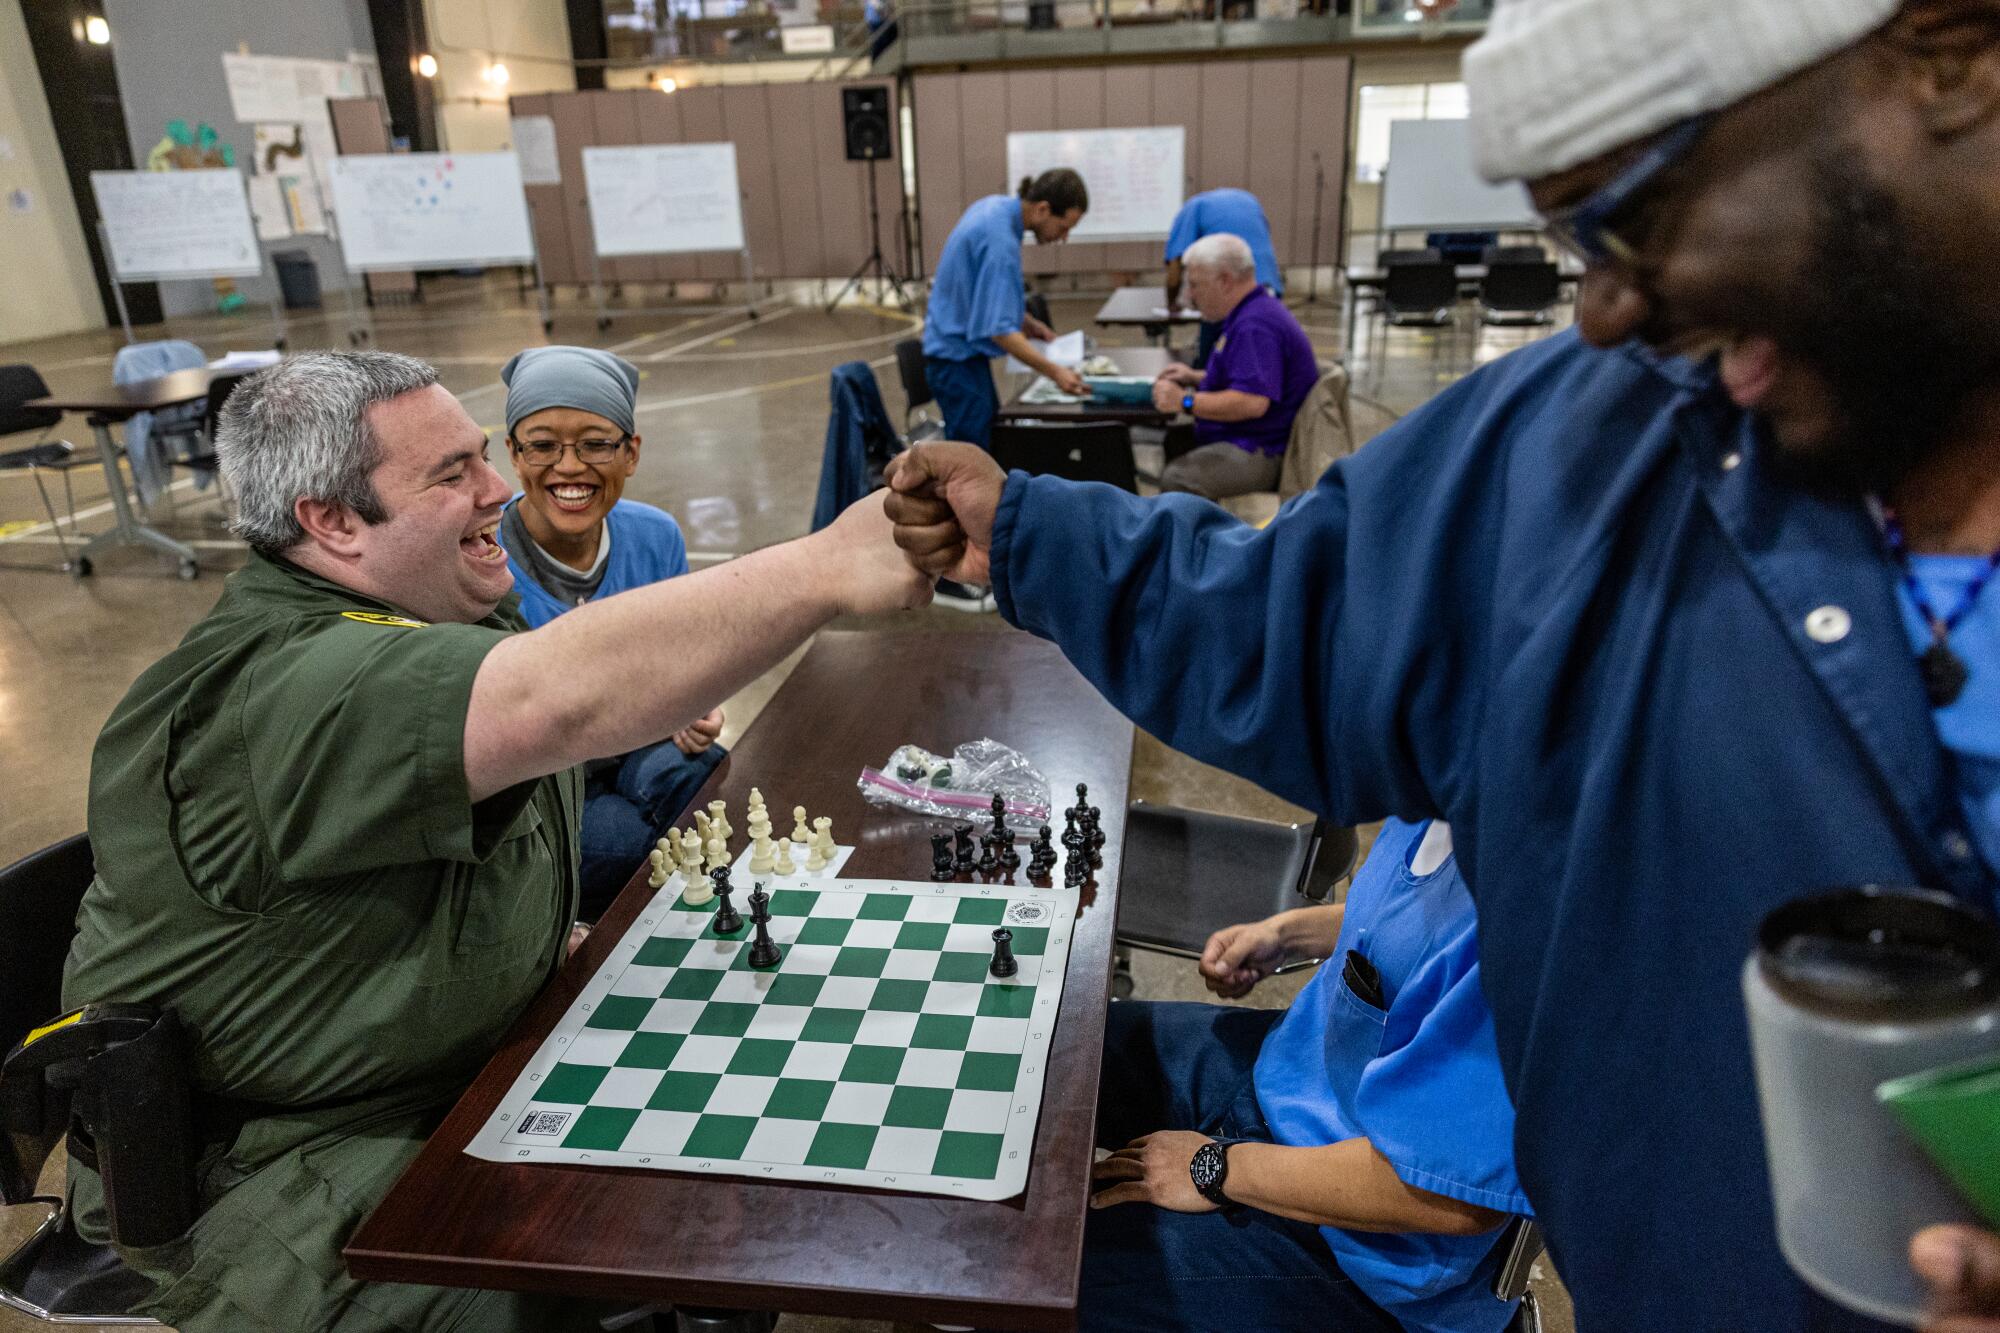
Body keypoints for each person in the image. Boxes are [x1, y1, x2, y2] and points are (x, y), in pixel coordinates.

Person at [882, 0, 2000, 1325]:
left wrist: (1231, 1171)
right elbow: (1282, 621)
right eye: (1575, 240)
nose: (1603, 306)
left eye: (1641, 206)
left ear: (1948, 58)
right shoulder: (1599, 436)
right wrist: (1032, 531)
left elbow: (1450, 1183)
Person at [60, 351, 930, 1333]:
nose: (499, 487)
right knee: (677, 1222)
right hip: (289, 1176)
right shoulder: (284, 688)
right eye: (451, 474)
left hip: (425, 1079)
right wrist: (824, 567)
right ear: (330, 519)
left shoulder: (441, 601)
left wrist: (528, 946)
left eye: (480, 455)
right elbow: (548, 697)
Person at [1083, 819, 1530, 1333]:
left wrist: (1215, 1167)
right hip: (1290, 1077)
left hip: (1361, 1250)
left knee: (1055, 1281)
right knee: (1065, 1046)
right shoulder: (1436, 800)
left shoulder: (1523, 917)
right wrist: (1291, 933)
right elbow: (1412, 918)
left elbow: (1450, 1199)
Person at [493, 346, 724, 920]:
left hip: (637, 742)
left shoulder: (655, 536)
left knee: (702, 777)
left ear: (631, 453)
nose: (569, 467)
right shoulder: (484, 562)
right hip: (542, 780)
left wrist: (694, 704)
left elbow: (681, 663)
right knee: (619, 844)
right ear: (514, 456)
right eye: (543, 445)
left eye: (596, 443)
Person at [921, 168, 1091, 453]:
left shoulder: (994, 209)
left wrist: (1025, 320)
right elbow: (1000, 331)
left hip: (957, 358)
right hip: (956, 363)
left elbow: (978, 291)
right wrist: (1056, 372)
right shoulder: (1000, 243)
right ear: (1042, 209)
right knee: (973, 461)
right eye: (1063, 227)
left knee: (989, 443)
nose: (1063, 238)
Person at [1148, 234, 1320, 500]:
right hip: (1255, 436)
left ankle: (1202, 539)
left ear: (1225, 281)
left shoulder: (1255, 326)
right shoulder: (1253, 311)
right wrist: (1195, 377)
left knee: (1179, 479)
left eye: (1195, 285)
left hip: (1264, 449)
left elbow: (1252, 402)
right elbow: (1249, 377)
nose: (1190, 296)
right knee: (1176, 441)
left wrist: (1185, 401)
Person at [1162, 187, 1284, 367]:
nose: (1192, 294)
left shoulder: (1191, 210)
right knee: (1252, 358)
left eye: (1194, 286)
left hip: (1234, 290)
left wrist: (1171, 304)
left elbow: (1174, 269)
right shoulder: (1248, 200)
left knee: (1213, 361)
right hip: (1268, 282)